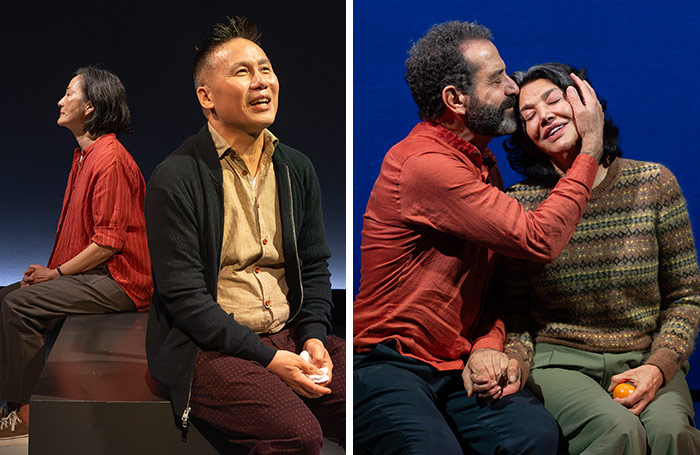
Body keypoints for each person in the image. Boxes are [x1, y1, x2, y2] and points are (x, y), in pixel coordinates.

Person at [353, 20, 606, 455]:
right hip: (387, 361)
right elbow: (539, 238)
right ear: (455, 99)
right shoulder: (425, 165)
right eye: (497, 79)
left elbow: (491, 283)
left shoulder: (483, 165)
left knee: (535, 435)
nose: (513, 87)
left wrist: (488, 346)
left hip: (454, 363)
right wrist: (589, 150)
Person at [144, 16, 345, 454]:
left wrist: (312, 335)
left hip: (289, 331)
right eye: (242, 72)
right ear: (206, 98)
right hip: (210, 346)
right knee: (298, 434)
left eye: (266, 69)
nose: (261, 82)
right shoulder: (175, 176)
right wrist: (269, 359)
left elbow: (314, 266)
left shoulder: (297, 168)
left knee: (373, 403)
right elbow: (184, 298)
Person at [496, 62, 700, 454]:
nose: (544, 117)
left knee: (671, 433)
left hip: (646, 353)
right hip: (561, 361)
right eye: (528, 116)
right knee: (617, 431)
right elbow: (515, 309)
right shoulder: (520, 203)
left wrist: (659, 366)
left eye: (554, 100)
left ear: (587, 102)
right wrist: (517, 362)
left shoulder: (654, 184)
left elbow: (685, 297)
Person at [0, 66, 152, 444]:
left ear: (90, 108)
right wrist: (52, 271)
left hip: (120, 281)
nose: (60, 100)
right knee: (6, 296)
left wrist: (58, 275)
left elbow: (108, 242)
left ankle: (26, 412)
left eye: (69, 93)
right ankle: (14, 403)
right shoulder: (85, 156)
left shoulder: (110, 159)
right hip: (93, 274)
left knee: (19, 306)